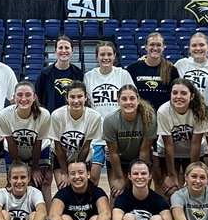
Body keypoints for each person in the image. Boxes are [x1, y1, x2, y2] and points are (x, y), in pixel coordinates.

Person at [84, 41, 132, 183]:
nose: (106, 57)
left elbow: (132, 100)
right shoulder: (89, 76)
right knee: (92, 179)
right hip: (96, 134)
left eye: (109, 54)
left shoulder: (123, 74)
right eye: (102, 54)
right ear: (97, 57)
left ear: (115, 56)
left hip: (117, 134)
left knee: (116, 180)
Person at [155, 78, 208, 197]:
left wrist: (192, 173)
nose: (178, 96)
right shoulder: (163, 111)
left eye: (184, 93)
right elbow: (168, 146)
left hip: (193, 151)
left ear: (192, 96)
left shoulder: (200, 111)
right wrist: (172, 175)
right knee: (171, 189)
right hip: (168, 152)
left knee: (194, 185)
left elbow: (195, 144)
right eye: (174, 93)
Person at [0, 80, 53, 198]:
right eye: (19, 95)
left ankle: (46, 213)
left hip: (39, 148)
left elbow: (38, 143)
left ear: (34, 97)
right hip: (13, 149)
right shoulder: (4, 115)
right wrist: (17, 166)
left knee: (40, 181)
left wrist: (34, 168)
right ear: (13, 97)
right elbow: (11, 143)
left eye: (28, 95)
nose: (23, 99)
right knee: (15, 182)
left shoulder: (44, 115)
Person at [103, 85, 156, 198]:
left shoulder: (149, 118)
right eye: (124, 99)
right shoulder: (110, 120)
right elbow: (113, 153)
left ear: (138, 100)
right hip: (118, 161)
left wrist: (138, 175)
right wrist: (120, 178)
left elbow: (144, 151)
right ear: (118, 101)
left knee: (140, 191)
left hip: (140, 158)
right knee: (117, 193)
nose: (128, 102)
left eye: (132, 98)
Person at [49, 81, 103, 187]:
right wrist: (66, 173)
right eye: (72, 97)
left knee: (84, 188)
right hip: (60, 156)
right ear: (67, 98)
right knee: (63, 186)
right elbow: (58, 146)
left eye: (80, 96)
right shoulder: (57, 115)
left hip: (83, 156)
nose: (76, 101)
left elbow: (86, 146)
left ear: (86, 97)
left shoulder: (94, 116)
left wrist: (76, 169)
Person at [126, 31, 178, 111]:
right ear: (146, 47)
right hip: (139, 115)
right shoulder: (132, 69)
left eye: (158, 45)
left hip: (163, 115)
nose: (155, 48)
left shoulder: (171, 70)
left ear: (163, 47)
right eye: (152, 45)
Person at [35, 35, 84, 114]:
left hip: (73, 117)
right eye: (60, 48)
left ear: (72, 51)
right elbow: (37, 97)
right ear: (55, 51)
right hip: (51, 118)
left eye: (67, 48)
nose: (64, 51)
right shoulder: (45, 73)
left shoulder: (78, 73)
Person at [173, 31, 208, 104]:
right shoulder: (181, 64)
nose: (198, 48)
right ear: (189, 49)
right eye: (194, 45)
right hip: (186, 109)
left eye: (201, 45)